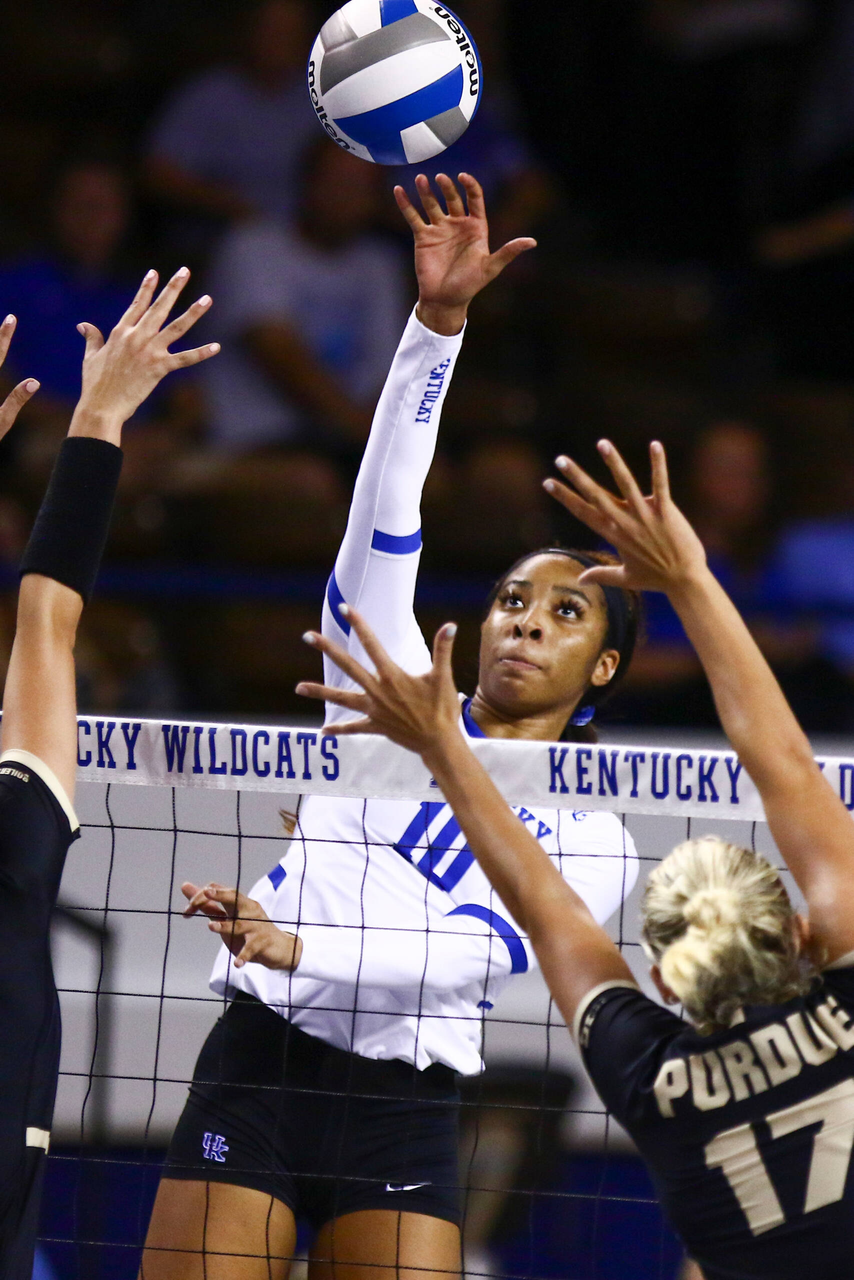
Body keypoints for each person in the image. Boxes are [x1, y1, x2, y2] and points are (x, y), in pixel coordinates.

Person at [141, 174, 641, 1280]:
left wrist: (300, 942)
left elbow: (461, 955)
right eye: (513, 597)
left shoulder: (594, 835)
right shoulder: (387, 696)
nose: (522, 622)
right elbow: (384, 509)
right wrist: (436, 328)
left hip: (402, 1108)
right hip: (261, 1067)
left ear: (600, 666)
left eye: (563, 613)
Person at [304, 437, 854, 1278]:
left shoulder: (653, 1084)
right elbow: (780, 759)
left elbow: (542, 903)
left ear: (664, 982)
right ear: (801, 930)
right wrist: (691, 579)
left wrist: (446, 750)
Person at [0, 269, 218, 1280]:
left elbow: (45, 616)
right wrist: (96, 418)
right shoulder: (19, 816)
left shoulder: (18, 814)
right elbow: (50, 612)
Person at [144, 0, 318, 252]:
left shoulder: (318, 99)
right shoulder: (208, 95)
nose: (279, 42)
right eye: (271, 30)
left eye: (290, 33)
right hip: (222, 243)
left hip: (313, 243)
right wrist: (229, 205)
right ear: (249, 32)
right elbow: (157, 174)